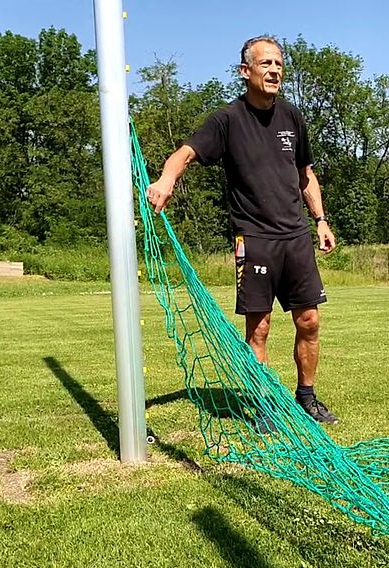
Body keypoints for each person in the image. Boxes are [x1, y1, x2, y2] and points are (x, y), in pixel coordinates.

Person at [146, 35, 339, 425]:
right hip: (253, 239)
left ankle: (306, 397)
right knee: (260, 327)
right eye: (266, 63)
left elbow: (305, 175)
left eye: (279, 64)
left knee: (310, 321)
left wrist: (320, 219)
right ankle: (265, 404)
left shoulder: (292, 117)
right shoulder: (227, 120)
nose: (274, 71)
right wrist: (165, 182)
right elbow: (185, 153)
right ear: (245, 71)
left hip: (295, 237)